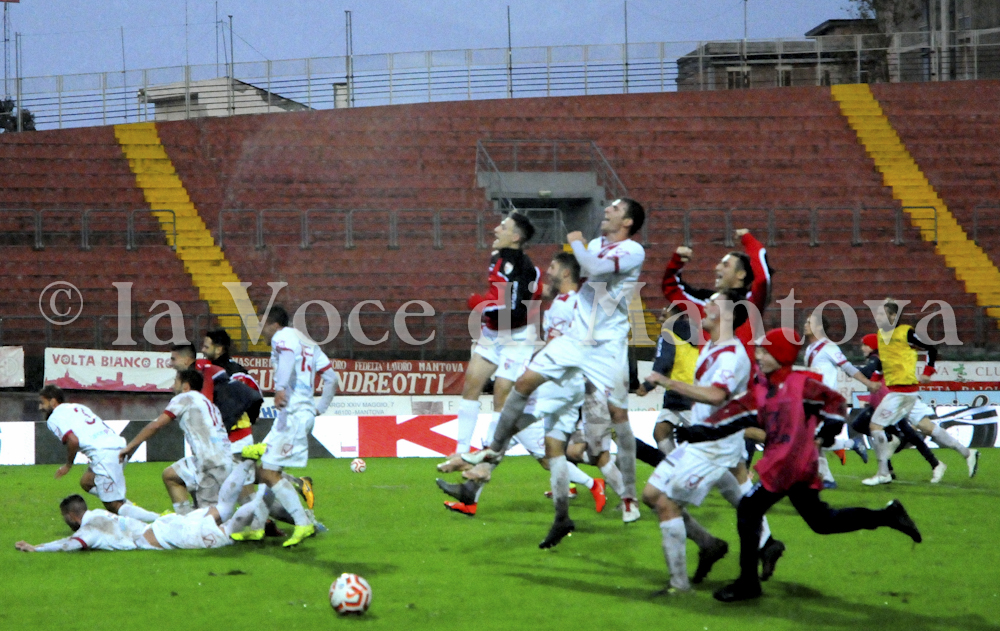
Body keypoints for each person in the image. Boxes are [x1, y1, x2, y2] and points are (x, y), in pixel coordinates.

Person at [463, 198, 648, 542]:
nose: (607, 211)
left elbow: (592, 267)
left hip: (606, 346)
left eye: (615, 209)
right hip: (577, 341)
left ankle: (629, 496)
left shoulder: (633, 250)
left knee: (616, 420)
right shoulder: (594, 247)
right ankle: (496, 455)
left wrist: (575, 242)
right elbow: (585, 269)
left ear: (627, 222)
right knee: (525, 387)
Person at [707, 328, 922, 603]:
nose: (758, 355)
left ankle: (748, 583)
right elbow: (746, 412)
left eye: (764, 351)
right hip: (789, 463)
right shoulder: (768, 385)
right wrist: (705, 429)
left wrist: (826, 433)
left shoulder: (800, 383)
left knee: (749, 509)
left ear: (780, 355)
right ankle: (888, 515)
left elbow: (836, 403)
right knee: (822, 522)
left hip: (791, 464)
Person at [437, 252, 609, 519]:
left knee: (532, 449)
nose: (548, 270)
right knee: (516, 447)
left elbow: (562, 346)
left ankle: (595, 481)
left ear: (565, 273)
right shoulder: (564, 303)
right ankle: (470, 495)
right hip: (550, 386)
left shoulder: (569, 306)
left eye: (553, 266)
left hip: (553, 389)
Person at [642, 290, 780, 593]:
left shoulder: (731, 356)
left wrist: (667, 382)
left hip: (713, 447)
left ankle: (679, 585)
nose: (705, 306)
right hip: (703, 439)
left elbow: (717, 395)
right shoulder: (712, 347)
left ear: (728, 314)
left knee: (666, 503)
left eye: (713, 303)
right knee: (651, 495)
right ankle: (716, 544)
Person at [438, 212, 541, 475]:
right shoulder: (498, 258)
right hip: (494, 332)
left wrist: (478, 304)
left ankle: (485, 457)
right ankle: (461, 452)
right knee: (471, 384)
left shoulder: (523, 267)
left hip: (517, 337)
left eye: (503, 227)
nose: (496, 229)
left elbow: (514, 311)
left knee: (501, 396)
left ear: (515, 237)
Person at [240, 305, 337, 547]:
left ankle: (303, 523)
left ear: (274, 325)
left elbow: (288, 356)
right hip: (293, 415)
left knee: (269, 473)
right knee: (265, 470)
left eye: (262, 324)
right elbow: (331, 378)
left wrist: (281, 387)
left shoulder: (282, 337)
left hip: (294, 415)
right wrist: (319, 408)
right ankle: (257, 527)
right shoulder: (308, 343)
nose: (259, 329)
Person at [862, 298, 979, 486]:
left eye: (882, 314)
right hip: (904, 392)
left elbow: (931, 348)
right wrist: (875, 380)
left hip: (901, 392)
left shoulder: (906, 332)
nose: (878, 317)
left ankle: (884, 473)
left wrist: (927, 372)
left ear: (893, 316)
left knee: (875, 426)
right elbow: (884, 362)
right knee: (926, 427)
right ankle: (967, 453)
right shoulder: (881, 335)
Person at [14, 469, 269, 552]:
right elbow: (131, 511)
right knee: (223, 507)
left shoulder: (90, 528)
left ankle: (270, 490)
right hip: (166, 523)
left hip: (168, 536)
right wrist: (159, 516)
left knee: (227, 530)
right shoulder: (105, 514)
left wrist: (37, 548)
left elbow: (71, 544)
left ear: (72, 516)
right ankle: (249, 467)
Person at [39, 386, 159, 523]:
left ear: (53, 401)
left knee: (113, 505)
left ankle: (160, 519)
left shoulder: (54, 418)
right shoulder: (78, 407)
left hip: (104, 454)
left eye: (42, 403)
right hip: (118, 445)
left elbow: (73, 441)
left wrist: (68, 465)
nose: (40, 407)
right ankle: (128, 507)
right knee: (87, 482)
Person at [120, 369, 232, 515]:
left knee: (208, 518)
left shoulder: (184, 398)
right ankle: (184, 518)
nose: (172, 386)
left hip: (211, 464)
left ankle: (205, 525)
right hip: (218, 458)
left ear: (185, 385)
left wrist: (130, 447)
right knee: (171, 475)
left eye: (175, 382)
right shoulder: (207, 403)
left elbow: (156, 425)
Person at [851, 333, 945, 482]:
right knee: (887, 431)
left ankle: (932, 463)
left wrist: (848, 368)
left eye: (865, 345)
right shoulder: (880, 357)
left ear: (873, 346)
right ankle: (926, 463)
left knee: (891, 431)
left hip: (890, 403)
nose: (862, 348)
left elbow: (868, 372)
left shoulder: (877, 358)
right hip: (883, 402)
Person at [802, 312, 876, 488]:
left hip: (826, 401)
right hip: (813, 400)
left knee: (812, 440)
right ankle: (850, 446)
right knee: (811, 440)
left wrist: (868, 383)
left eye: (809, 322)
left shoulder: (829, 347)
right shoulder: (810, 349)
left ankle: (827, 478)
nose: (805, 325)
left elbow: (848, 368)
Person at [635, 304, 698, 458]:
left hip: (680, 390)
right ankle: (676, 466)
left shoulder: (668, 333)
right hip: (694, 391)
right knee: (661, 431)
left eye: (664, 316)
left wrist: (647, 385)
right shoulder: (698, 333)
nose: (660, 320)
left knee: (702, 441)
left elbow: (664, 361)